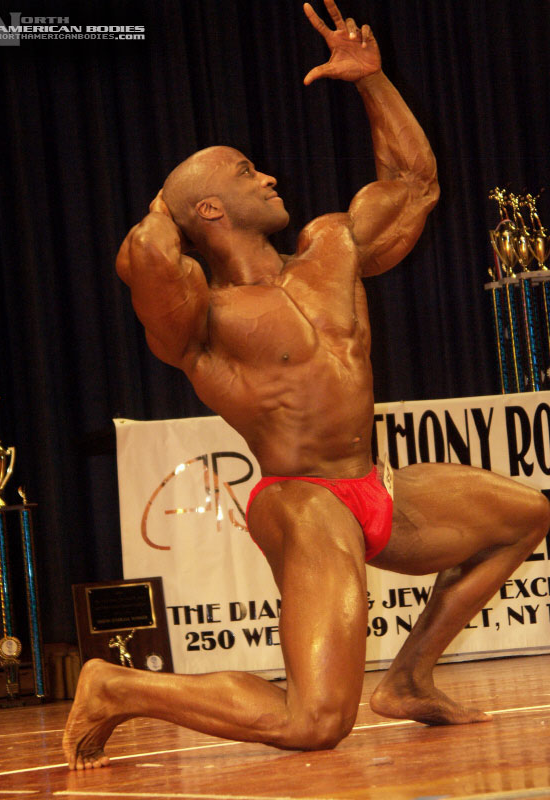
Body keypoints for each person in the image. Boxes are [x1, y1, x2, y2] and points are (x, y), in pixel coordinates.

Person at [63, 0, 550, 769]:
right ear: (211, 209)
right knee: (316, 720)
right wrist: (168, 202)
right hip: (301, 501)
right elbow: (144, 260)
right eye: (245, 172)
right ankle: (117, 685)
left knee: (526, 515)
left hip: (371, 486)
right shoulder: (203, 316)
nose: (268, 174)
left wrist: (372, 80)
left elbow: (415, 184)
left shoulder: (331, 248)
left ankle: (410, 679)